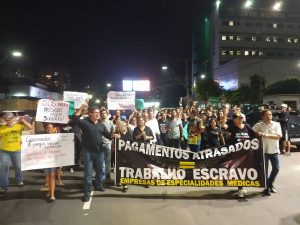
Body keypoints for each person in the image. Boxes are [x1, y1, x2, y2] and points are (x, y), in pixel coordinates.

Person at [72, 104, 116, 202]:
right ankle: (87, 193)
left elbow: (108, 136)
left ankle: (98, 185)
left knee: (100, 170)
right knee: (88, 173)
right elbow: (74, 118)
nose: (98, 114)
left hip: (99, 151)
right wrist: (81, 108)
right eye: (95, 113)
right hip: (88, 152)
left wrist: (113, 135)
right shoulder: (84, 123)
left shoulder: (101, 125)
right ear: (90, 114)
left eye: (98, 113)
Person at [0, 112, 32, 193]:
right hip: (5, 151)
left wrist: (23, 121)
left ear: (13, 119)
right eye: (7, 120)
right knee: (4, 168)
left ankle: (19, 180)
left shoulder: (18, 126)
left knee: (18, 167)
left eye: (10, 120)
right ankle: (3, 186)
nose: (9, 122)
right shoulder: (2, 128)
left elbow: (30, 128)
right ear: (5, 120)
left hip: (17, 150)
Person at [226, 113, 257, 198]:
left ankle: (241, 187)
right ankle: (240, 188)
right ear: (234, 120)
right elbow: (224, 126)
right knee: (237, 170)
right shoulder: (232, 127)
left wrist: (260, 134)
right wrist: (225, 113)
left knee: (243, 170)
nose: (241, 119)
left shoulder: (246, 126)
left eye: (242, 118)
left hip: (246, 153)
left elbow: (254, 134)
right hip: (235, 153)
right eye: (239, 118)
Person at [253, 109, 282, 196]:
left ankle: (269, 184)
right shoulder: (259, 125)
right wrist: (257, 134)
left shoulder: (276, 124)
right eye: (267, 115)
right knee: (264, 170)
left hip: (274, 151)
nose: (269, 116)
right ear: (262, 116)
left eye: (270, 114)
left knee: (276, 168)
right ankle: (267, 188)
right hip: (264, 151)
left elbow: (279, 136)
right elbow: (251, 133)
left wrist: (266, 135)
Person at [114, 120, 132, 192]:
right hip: (118, 154)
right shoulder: (117, 133)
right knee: (119, 168)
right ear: (120, 126)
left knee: (125, 169)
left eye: (126, 125)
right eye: (124, 125)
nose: (126, 126)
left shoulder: (128, 133)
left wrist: (121, 138)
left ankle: (125, 184)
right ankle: (119, 180)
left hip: (126, 154)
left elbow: (130, 141)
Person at [99, 108, 115, 184]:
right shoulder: (97, 122)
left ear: (107, 114)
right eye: (102, 113)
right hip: (99, 144)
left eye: (104, 113)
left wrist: (113, 143)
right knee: (101, 160)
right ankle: (102, 175)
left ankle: (108, 175)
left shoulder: (110, 122)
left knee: (108, 161)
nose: (103, 114)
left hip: (108, 143)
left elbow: (113, 133)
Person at [43, 123, 58, 202]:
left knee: (52, 175)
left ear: (53, 129)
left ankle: (52, 194)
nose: (49, 129)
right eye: (48, 128)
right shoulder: (41, 137)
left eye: (51, 128)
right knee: (48, 176)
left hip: (53, 159)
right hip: (45, 159)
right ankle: (50, 190)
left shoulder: (57, 137)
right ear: (46, 129)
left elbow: (64, 144)